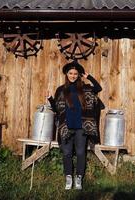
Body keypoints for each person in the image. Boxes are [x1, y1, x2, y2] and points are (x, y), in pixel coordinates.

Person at [47, 61, 102, 190]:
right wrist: (50, 98)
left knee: (81, 152)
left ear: (78, 75)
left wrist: (88, 76)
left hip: (81, 127)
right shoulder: (61, 90)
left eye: (75, 74)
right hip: (66, 126)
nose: (73, 75)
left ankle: (79, 178)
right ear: (67, 74)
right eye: (70, 73)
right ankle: (68, 177)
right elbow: (56, 109)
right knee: (66, 153)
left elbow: (98, 88)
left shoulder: (85, 88)